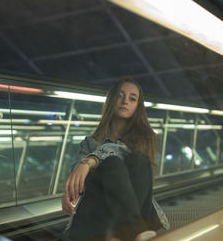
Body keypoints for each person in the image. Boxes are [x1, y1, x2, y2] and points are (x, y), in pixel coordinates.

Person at [61, 78, 169, 241]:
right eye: (120, 96)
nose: (125, 101)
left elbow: (119, 151)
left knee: (134, 160)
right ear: (112, 100)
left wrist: (91, 161)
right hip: (96, 218)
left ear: (137, 107)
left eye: (132, 98)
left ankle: (124, 233)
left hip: (130, 215)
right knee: (111, 163)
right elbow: (79, 178)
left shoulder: (144, 139)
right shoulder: (90, 143)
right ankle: (134, 231)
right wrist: (71, 189)